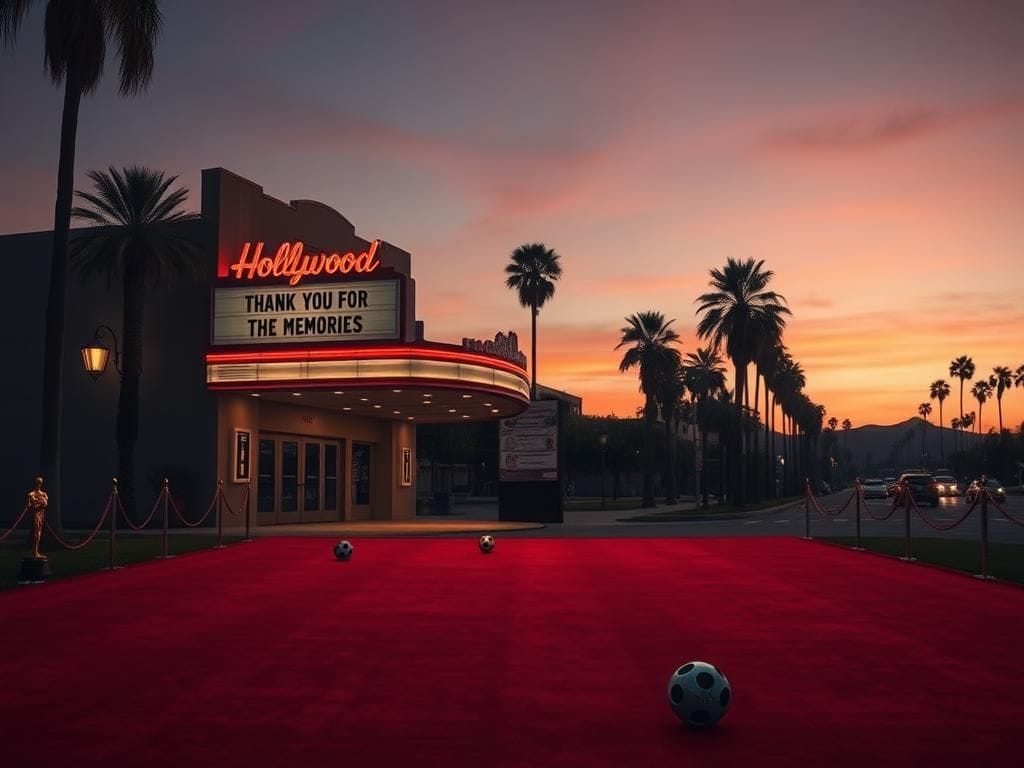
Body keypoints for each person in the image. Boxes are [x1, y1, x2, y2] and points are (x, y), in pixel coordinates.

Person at [26, 476, 48, 560]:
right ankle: (35, 551)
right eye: (38, 483)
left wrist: (39, 502)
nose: (39, 484)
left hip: (41, 514)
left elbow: (45, 504)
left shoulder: (44, 494)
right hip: (36, 514)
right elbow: (30, 503)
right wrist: (32, 502)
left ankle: (36, 551)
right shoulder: (31, 494)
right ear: (36, 483)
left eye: (40, 483)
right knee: (36, 534)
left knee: (39, 533)